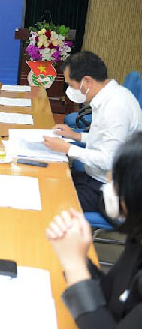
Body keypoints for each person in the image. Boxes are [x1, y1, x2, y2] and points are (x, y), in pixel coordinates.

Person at [45, 132, 142, 328]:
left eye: (117, 183)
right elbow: (110, 296)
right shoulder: (137, 241)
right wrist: (80, 258)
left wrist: (74, 265)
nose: (111, 190)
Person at [43, 51, 142, 212]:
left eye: (71, 85)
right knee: (49, 181)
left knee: (49, 202)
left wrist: (68, 148)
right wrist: (75, 136)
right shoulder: (109, 97)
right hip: (97, 177)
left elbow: (109, 159)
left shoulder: (115, 107)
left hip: (110, 190)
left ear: (87, 81)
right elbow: (105, 140)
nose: (70, 90)